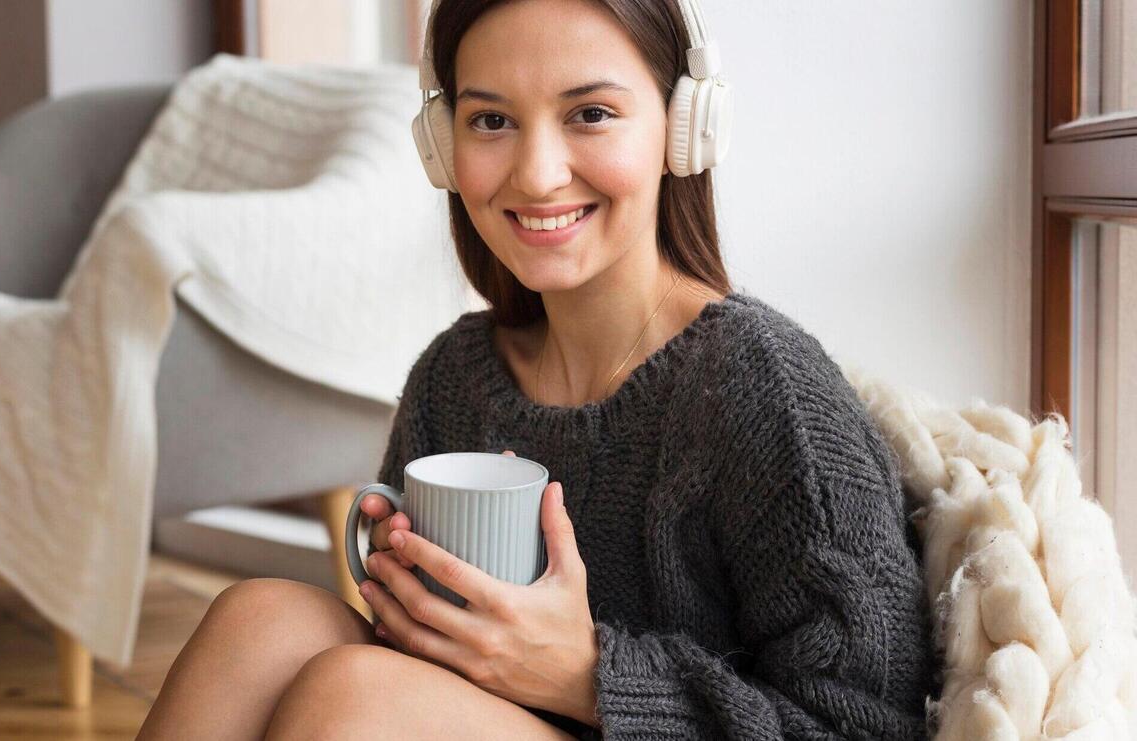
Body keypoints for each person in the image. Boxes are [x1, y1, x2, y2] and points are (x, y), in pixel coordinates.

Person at [137, 0, 937, 738]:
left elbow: (867, 726)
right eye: (491, 120)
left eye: (590, 113)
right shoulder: (455, 377)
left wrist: (591, 677)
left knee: (356, 695)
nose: (536, 173)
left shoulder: (767, 391)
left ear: (684, 125)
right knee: (261, 619)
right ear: (444, 147)